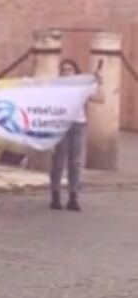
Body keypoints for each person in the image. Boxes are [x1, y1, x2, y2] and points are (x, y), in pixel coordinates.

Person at [50, 59, 103, 212]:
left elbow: (100, 98)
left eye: (70, 70)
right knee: (58, 162)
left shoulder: (81, 87)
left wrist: (99, 83)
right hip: (61, 126)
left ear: (76, 72)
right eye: (64, 70)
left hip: (78, 125)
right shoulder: (57, 87)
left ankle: (73, 196)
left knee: (75, 163)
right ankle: (55, 195)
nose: (67, 72)